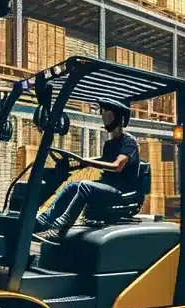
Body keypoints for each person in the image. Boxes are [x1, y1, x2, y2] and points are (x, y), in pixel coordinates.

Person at [35, 98, 140, 244]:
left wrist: (86, 162)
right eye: (104, 115)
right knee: (73, 186)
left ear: (119, 118)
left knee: (85, 186)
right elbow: (103, 159)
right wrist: (76, 163)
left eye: (108, 115)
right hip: (107, 185)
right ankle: (41, 222)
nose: (104, 118)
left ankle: (59, 229)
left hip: (120, 190)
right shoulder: (110, 144)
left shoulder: (129, 142)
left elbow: (117, 166)